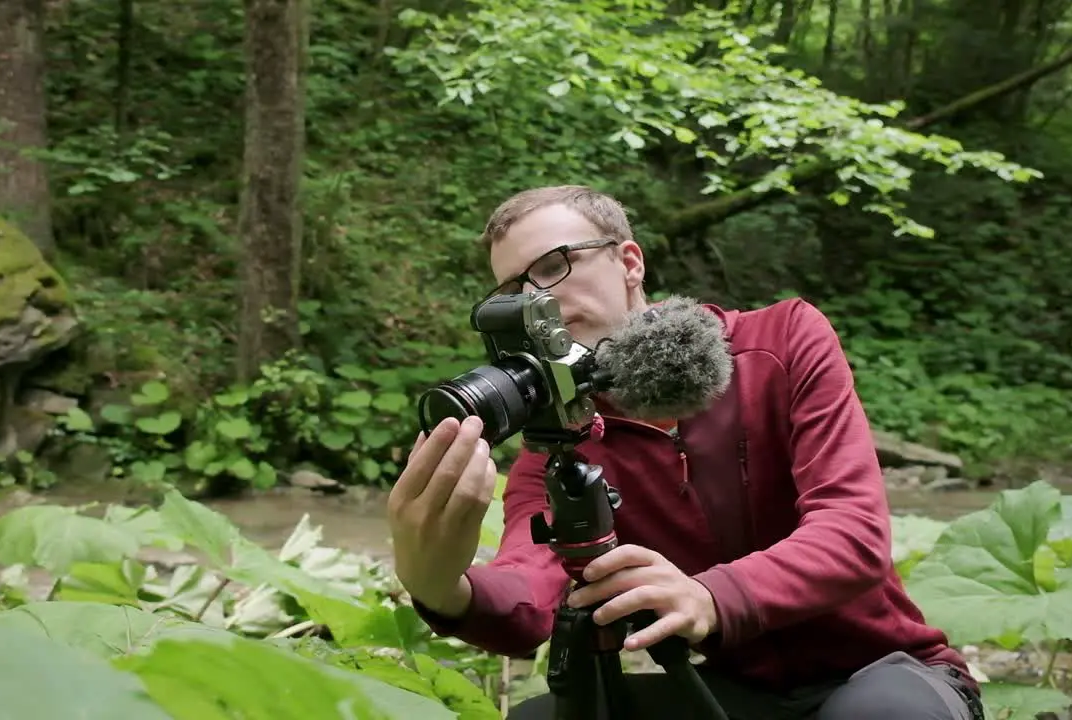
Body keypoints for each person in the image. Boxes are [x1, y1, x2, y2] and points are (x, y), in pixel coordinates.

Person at [386, 185, 983, 720]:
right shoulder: (559, 443)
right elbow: (527, 598)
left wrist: (711, 596)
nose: (536, 301)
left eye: (554, 266)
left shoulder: (781, 342)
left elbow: (852, 532)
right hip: (739, 692)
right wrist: (439, 583)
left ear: (629, 261)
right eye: (514, 290)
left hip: (882, 670)